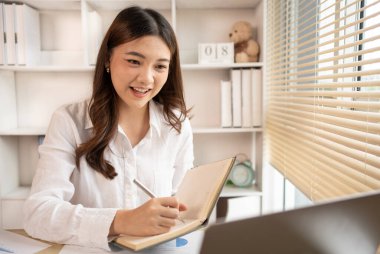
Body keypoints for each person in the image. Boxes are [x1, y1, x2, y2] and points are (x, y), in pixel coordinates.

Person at [23, 6, 194, 251]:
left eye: (160, 66)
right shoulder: (68, 121)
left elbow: (184, 203)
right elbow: (37, 214)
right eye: (134, 61)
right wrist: (121, 221)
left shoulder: (176, 126)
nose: (147, 78)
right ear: (107, 59)